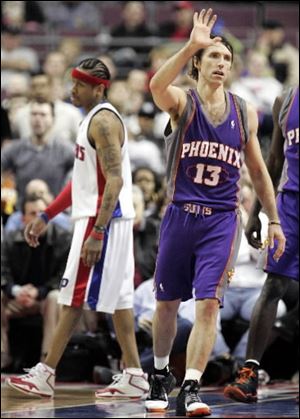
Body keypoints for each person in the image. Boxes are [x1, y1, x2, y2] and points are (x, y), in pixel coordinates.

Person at [144, 8, 286, 417]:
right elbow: (155, 86)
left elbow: (258, 170)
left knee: (208, 304)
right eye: (213, 57)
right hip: (179, 215)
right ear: (198, 65)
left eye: (226, 59)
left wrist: (272, 219)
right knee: (167, 303)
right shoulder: (182, 102)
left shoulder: (243, 111)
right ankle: (158, 375)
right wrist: (193, 41)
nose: (221, 64)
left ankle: (191, 385)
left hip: (222, 219)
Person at [6, 57, 149, 399]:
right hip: (106, 218)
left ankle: (45, 372)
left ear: (98, 88)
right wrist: (47, 215)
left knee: (72, 296)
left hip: (103, 220)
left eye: (80, 85)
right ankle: (134, 375)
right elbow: (83, 181)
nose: (73, 89)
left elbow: (113, 180)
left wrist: (98, 231)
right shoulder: (91, 121)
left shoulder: (102, 121)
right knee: (120, 300)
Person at [224, 86, 299, 403]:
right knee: (273, 285)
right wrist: (257, 212)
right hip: (290, 204)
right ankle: (249, 373)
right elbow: (273, 160)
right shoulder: (287, 98)